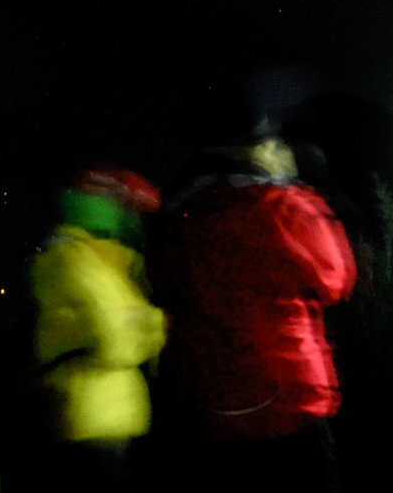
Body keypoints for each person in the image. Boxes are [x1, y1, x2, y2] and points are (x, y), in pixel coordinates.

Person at [149, 114, 356, 491]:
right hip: (288, 395)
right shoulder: (286, 207)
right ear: (258, 151)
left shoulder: (186, 215)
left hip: (211, 402)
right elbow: (336, 279)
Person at [27, 166, 168, 489]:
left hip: (115, 415)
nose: (134, 220)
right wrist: (142, 328)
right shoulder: (72, 258)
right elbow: (114, 339)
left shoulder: (105, 261)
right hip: (90, 416)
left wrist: (139, 325)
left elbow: (146, 328)